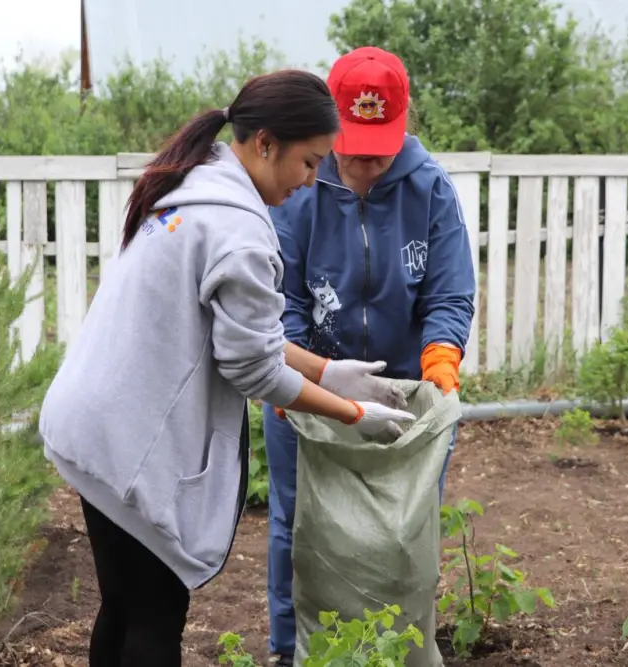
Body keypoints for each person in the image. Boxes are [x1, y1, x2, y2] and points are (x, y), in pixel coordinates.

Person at [37, 69, 417, 667]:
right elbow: (255, 371)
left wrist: (326, 371)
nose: (312, 180)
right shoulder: (240, 231)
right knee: (155, 619)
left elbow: (236, 335)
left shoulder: (194, 185)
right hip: (128, 440)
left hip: (95, 421)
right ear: (265, 143)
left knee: (124, 606)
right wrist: (350, 413)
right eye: (309, 162)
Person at [262, 47, 477, 665]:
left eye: (379, 145)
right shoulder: (302, 186)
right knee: (297, 526)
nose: (363, 160)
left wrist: (439, 361)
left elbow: (449, 288)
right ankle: (291, 652)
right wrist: (293, 378)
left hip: (402, 396)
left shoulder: (430, 187)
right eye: (351, 143)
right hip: (309, 388)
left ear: (403, 125)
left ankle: (395, 651)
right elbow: (285, 295)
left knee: (404, 531)